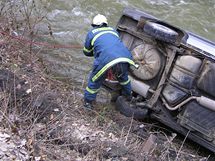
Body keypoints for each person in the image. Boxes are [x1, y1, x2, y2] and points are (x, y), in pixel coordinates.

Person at [83, 14, 138, 109]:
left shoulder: (91, 33)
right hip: (125, 58)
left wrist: (96, 51)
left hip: (106, 60)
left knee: (94, 81)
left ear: (94, 25)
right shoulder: (113, 30)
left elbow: (87, 52)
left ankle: (88, 103)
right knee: (124, 79)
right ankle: (128, 96)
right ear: (106, 23)